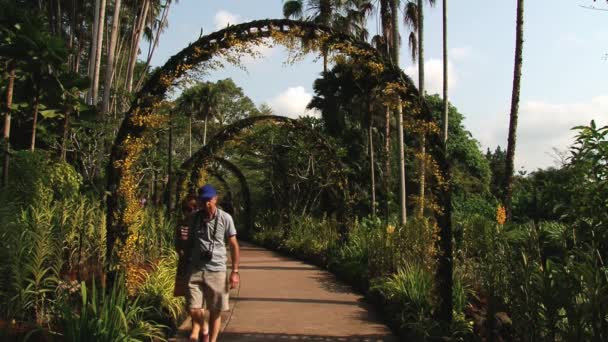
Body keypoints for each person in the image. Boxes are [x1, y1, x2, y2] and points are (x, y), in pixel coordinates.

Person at [182, 184, 240, 342]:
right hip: (195, 269)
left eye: (209, 200)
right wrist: (183, 267)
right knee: (193, 309)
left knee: (215, 311)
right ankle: (204, 327)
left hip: (217, 271)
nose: (206, 203)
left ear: (215, 199)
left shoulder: (225, 218)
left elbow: (234, 245)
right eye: (203, 200)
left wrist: (234, 272)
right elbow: (188, 244)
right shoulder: (194, 218)